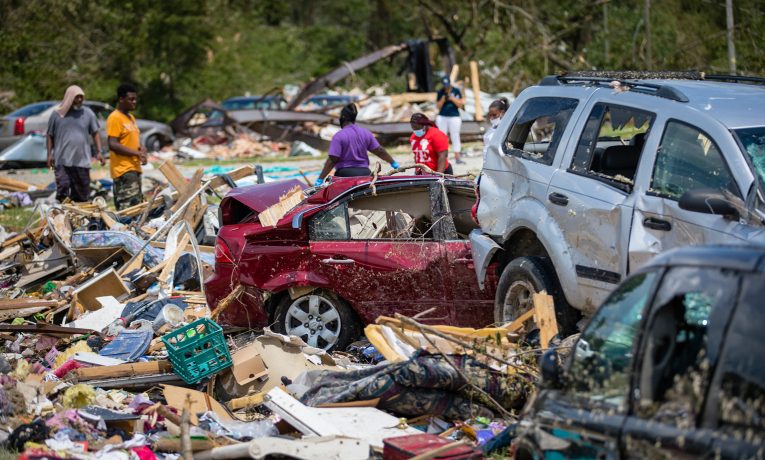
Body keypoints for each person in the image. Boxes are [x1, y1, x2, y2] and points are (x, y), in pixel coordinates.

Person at [315, 103, 399, 186]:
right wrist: (393, 162)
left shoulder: (339, 136)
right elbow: (379, 150)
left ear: (343, 118)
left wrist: (320, 178)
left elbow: (332, 160)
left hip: (344, 174)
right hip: (365, 172)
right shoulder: (366, 133)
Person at [46, 85, 104, 202]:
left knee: (82, 193)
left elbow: (95, 133)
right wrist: (49, 154)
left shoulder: (87, 113)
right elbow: (50, 135)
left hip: (81, 161)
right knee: (63, 187)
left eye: (81, 97)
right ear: (69, 97)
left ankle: (79, 217)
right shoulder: (57, 114)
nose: (80, 100)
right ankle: (62, 214)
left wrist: (99, 152)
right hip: (62, 160)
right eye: (77, 97)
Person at [107, 84, 146, 210]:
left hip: (134, 168)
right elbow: (112, 144)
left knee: (137, 206)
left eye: (135, 99)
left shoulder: (131, 118)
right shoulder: (115, 117)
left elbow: (133, 141)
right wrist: (136, 154)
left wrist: (142, 150)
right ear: (121, 99)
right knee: (128, 209)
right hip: (123, 170)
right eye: (131, 99)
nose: (134, 102)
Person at [435, 76, 464, 164]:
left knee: (455, 135)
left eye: (447, 85)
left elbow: (460, 105)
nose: (446, 87)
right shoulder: (440, 92)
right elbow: (438, 107)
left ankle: (457, 157)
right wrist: (443, 98)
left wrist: (452, 98)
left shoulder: (456, 91)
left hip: (454, 116)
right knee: (442, 137)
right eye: (445, 85)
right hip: (442, 116)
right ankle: (443, 157)